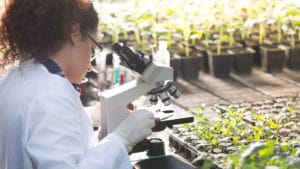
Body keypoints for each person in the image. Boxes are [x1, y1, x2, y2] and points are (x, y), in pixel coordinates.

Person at [0, 0, 155, 169]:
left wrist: (86, 117)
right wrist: (123, 139)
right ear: (74, 33)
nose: (90, 66)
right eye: (92, 48)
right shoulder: (51, 93)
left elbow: (42, 131)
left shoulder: (15, 77)